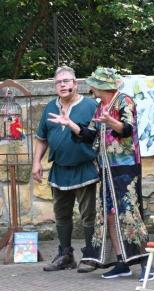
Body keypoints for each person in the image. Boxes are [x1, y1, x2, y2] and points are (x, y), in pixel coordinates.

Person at [48, 67, 154, 281]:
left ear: (103, 86)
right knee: (110, 214)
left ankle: (147, 264)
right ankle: (121, 262)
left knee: (130, 214)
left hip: (126, 168)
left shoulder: (125, 101)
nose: (91, 88)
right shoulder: (101, 108)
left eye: (94, 84)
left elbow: (126, 129)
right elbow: (90, 135)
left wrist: (110, 122)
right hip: (105, 169)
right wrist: (70, 124)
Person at [32, 66, 99, 272]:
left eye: (67, 81)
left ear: (75, 84)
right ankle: (65, 255)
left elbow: (96, 137)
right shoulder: (50, 108)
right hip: (59, 169)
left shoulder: (90, 106)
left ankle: (90, 256)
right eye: (59, 82)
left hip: (84, 168)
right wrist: (36, 163)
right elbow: (41, 139)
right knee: (61, 215)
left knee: (88, 215)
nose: (63, 85)